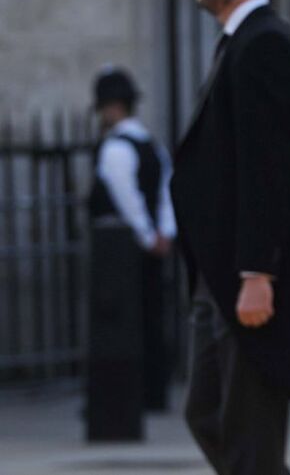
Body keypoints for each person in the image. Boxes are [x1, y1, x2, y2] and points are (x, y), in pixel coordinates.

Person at [170, 0, 290, 475]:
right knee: (207, 412)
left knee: (247, 435)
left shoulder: (266, 45)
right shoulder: (240, 42)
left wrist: (258, 272)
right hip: (219, 274)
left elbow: (272, 171)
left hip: (248, 274)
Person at [88, 66, 176, 411]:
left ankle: (132, 393)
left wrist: (146, 235)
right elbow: (167, 193)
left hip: (122, 251)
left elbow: (128, 199)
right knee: (151, 316)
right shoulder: (152, 146)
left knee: (122, 323)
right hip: (152, 246)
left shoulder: (116, 149)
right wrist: (164, 233)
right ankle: (153, 390)